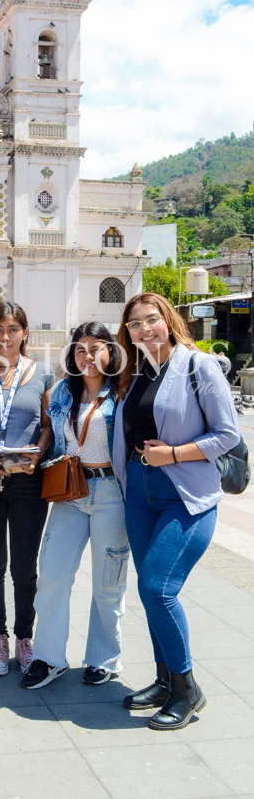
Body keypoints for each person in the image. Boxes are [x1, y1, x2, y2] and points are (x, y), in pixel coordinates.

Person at [112, 292, 240, 730]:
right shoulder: (135, 372)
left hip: (184, 493)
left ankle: (188, 690)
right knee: (151, 595)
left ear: (168, 320)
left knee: (157, 587)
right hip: (140, 492)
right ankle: (165, 679)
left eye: (151, 320)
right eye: (134, 324)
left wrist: (175, 454)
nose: (144, 330)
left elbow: (227, 434)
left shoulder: (199, 366)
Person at [22, 322, 129, 690]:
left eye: (96, 347)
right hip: (70, 492)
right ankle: (48, 657)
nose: (88, 355)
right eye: (80, 349)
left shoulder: (124, 392)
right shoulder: (62, 392)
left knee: (107, 583)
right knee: (52, 574)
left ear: (111, 351)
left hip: (111, 493)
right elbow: (51, 433)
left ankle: (104, 659)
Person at [0, 301, 54, 676]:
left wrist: (39, 455)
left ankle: (24, 637)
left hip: (28, 481)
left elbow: (49, 425)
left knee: (24, 566)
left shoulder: (43, 373)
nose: (5, 337)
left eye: (13, 329)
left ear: (24, 333)